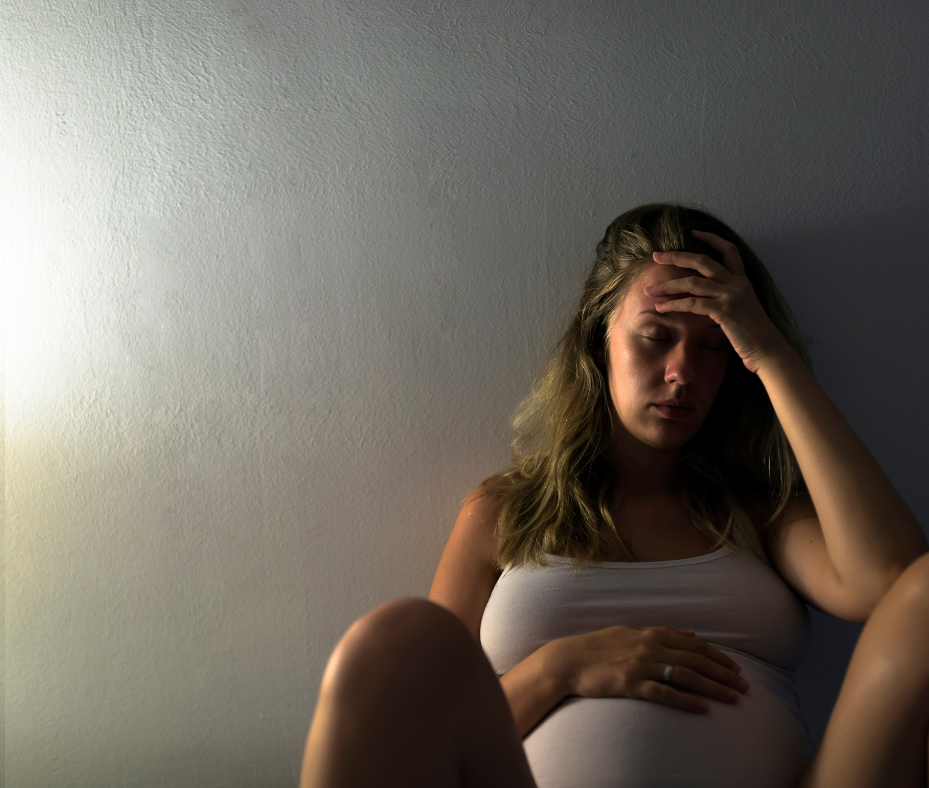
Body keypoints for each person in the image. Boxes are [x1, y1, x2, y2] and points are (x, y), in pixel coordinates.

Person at [299, 204, 929, 788]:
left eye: (714, 346)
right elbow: (431, 739)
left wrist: (768, 354)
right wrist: (559, 668)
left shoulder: (760, 513)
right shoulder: (504, 512)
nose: (683, 372)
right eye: (655, 336)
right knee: (396, 640)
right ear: (599, 340)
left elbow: (892, 582)